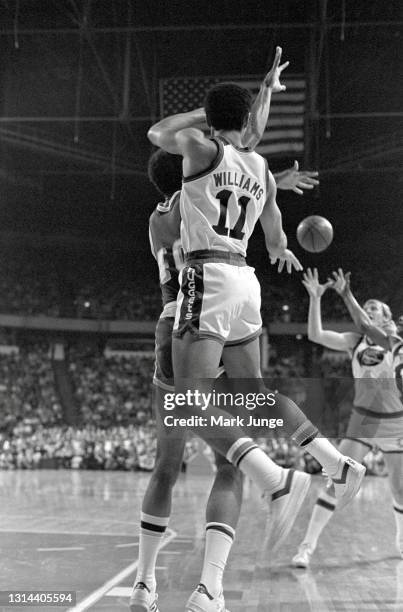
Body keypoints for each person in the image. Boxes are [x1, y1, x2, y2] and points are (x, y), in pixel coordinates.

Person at [147, 59, 365, 610]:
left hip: (207, 276)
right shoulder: (262, 168)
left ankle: (274, 477)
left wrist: (221, 109)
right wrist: (283, 245)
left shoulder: (199, 150)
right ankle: (332, 461)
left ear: (213, 119)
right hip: (248, 282)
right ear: (246, 122)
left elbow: (158, 134)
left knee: (189, 403)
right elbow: (273, 238)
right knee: (254, 395)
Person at [130, 147, 322, 612]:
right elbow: (224, 189)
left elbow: (216, 190)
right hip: (210, 316)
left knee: (165, 466)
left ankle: (143, 584)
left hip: (172, 325)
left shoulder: (159, 217)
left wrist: (271, 180)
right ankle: (209, 588)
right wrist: (270, 182)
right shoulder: (194, 201)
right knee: (227, 466)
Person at [292, 268, 403, 568]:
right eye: (365, 305)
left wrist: (346, 295)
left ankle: (401, 538)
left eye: (374, 307)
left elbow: (364, 322)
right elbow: (316, 335)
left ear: (385, 317)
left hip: (395, 419)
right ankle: (307, 546)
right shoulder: (355, 341)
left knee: (400, 489)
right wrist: (315, 299)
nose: (368, 309)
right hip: (363, 419)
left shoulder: (396, 340)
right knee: (337, 480)